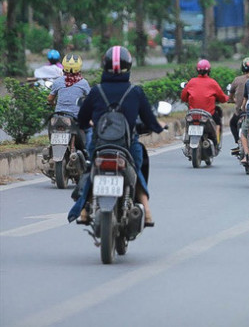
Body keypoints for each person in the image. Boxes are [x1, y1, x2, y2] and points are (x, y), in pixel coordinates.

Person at [69, 46, 165, 226]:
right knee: (135, 170)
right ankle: (147, 210)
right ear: (128, 66)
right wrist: (160, 128)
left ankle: (83, 209)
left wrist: (88, 124)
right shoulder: (135, 92)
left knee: (91, 170)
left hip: (99, 145)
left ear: (104, 66)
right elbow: (150, 120)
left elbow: (81, 119)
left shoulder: (96, 91)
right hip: (126, 145)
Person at [181, 59, 229, 151]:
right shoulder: (212, 82)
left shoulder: (191, 82)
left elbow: (183, 98)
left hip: (193, 114)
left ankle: (187, 138)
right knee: (218, 122)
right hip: (208, 115)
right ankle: (216, 142)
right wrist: (229, 98)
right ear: (209, 70)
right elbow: (222, 98)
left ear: (197, 70)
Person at [47, 53, 92, 151]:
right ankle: (88, 153)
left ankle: (51, 148)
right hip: (75, 118)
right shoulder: (83, 83)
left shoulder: (58, 81)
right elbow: (90, 100)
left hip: (58, 116)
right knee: (89, 130)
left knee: (51, 127)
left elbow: (50, 99)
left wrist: (52, 103)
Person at [228, 57, 249, 147]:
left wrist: (232, 100)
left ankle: (238, 141)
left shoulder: (237, 80)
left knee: (232, 124)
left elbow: (230, 94)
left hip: (240, 112)